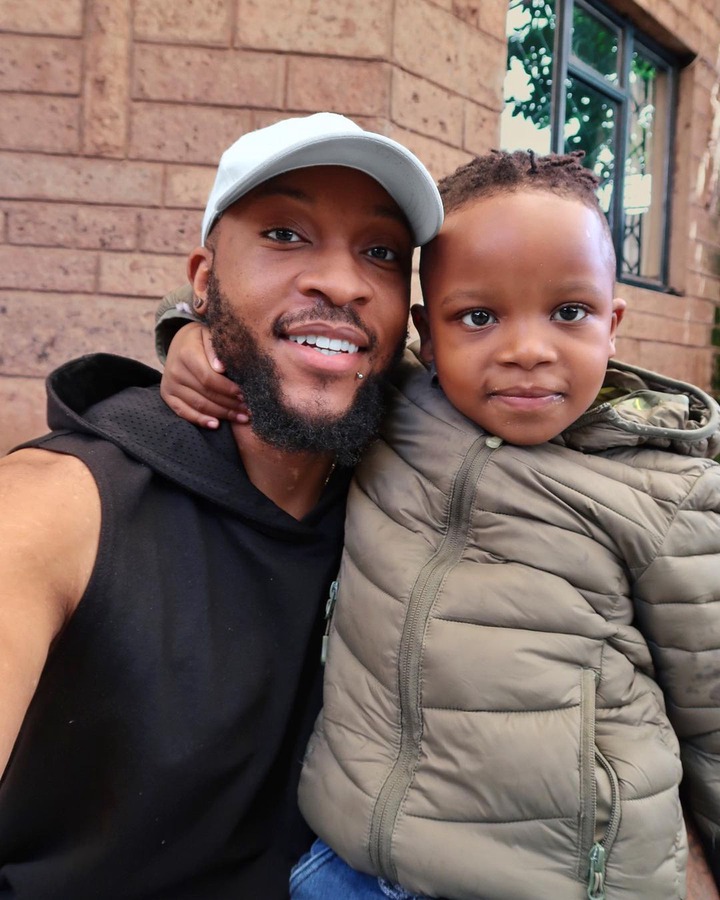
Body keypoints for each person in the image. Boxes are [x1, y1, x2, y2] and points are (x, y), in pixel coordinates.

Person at [160, 150, 720, 899]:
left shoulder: (668, 490)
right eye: (479, 317)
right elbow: (276, 334)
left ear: (612, 323)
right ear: (427, 332)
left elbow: (711, 711)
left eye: (569, 312)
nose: (527, 351)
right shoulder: (396, 410)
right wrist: (187, 336)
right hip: (348, 865)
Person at [0, 112, 443, 899]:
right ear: (202, 282)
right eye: (285, 234)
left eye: (380, 253)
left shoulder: (415, 505)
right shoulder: (60, 507)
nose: (342, 281)